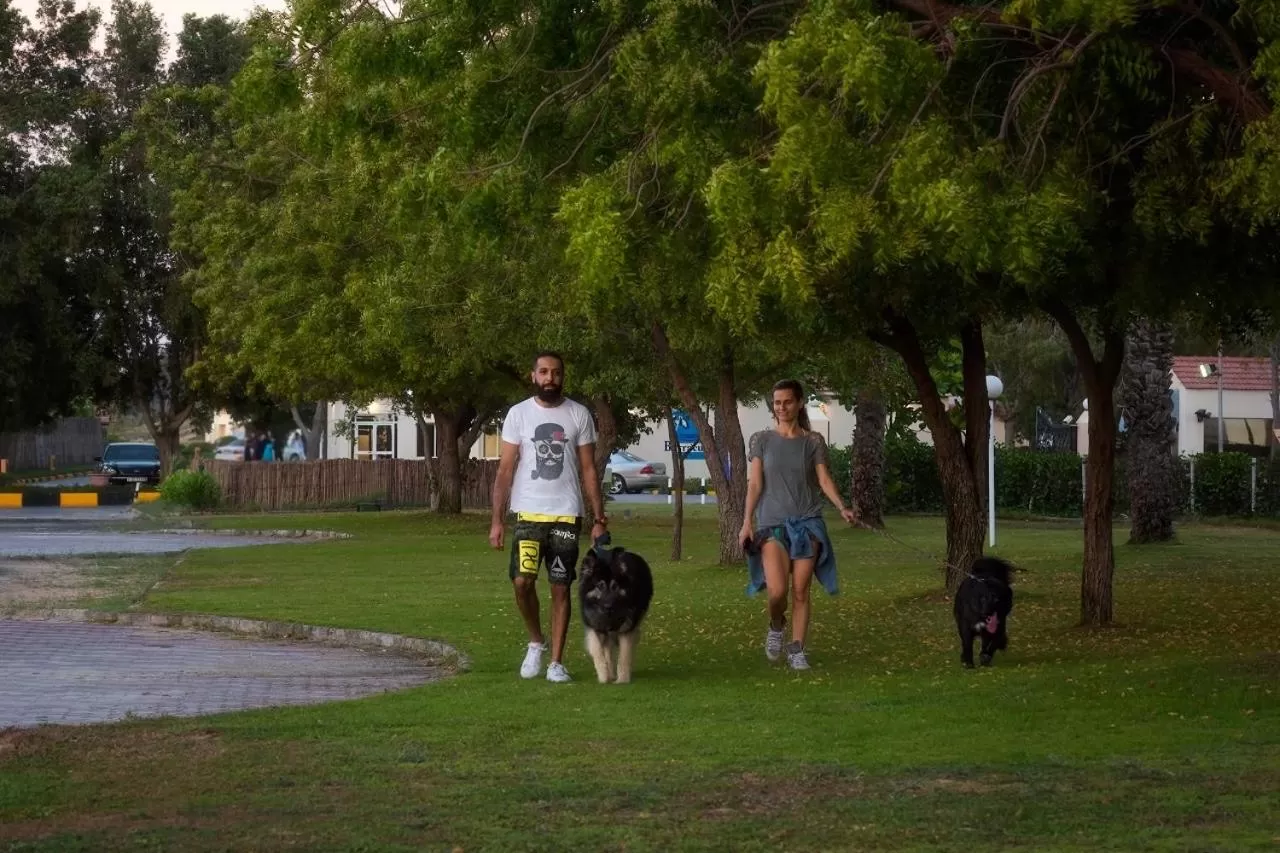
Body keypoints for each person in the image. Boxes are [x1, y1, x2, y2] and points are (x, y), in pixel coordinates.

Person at [490, 352, 608, 683]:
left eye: (556, 373)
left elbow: (588, 468)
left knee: (560, 586)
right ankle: (536, 642)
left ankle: (556, 662)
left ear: (563, 377)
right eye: (543, 372)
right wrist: (497, 520)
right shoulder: (518, 415)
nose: (550, 378)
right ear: (533, 376)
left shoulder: (579, 414)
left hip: (567, 515)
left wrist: (599, 517)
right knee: (522, 581)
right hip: (528, 514)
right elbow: (504, 470)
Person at [740, 379, 858, 671]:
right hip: (772, 525)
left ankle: (796, 649)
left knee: (802, 590)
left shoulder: (812, 441)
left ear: (800, 402)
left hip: (807, 523)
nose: (782, 407)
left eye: (787, 401)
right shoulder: (761, 440)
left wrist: (842, 507)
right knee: (777, 591)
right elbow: (754, 483)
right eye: (777, 402)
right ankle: (776, 624)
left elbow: (824, 480)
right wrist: (746, 522)